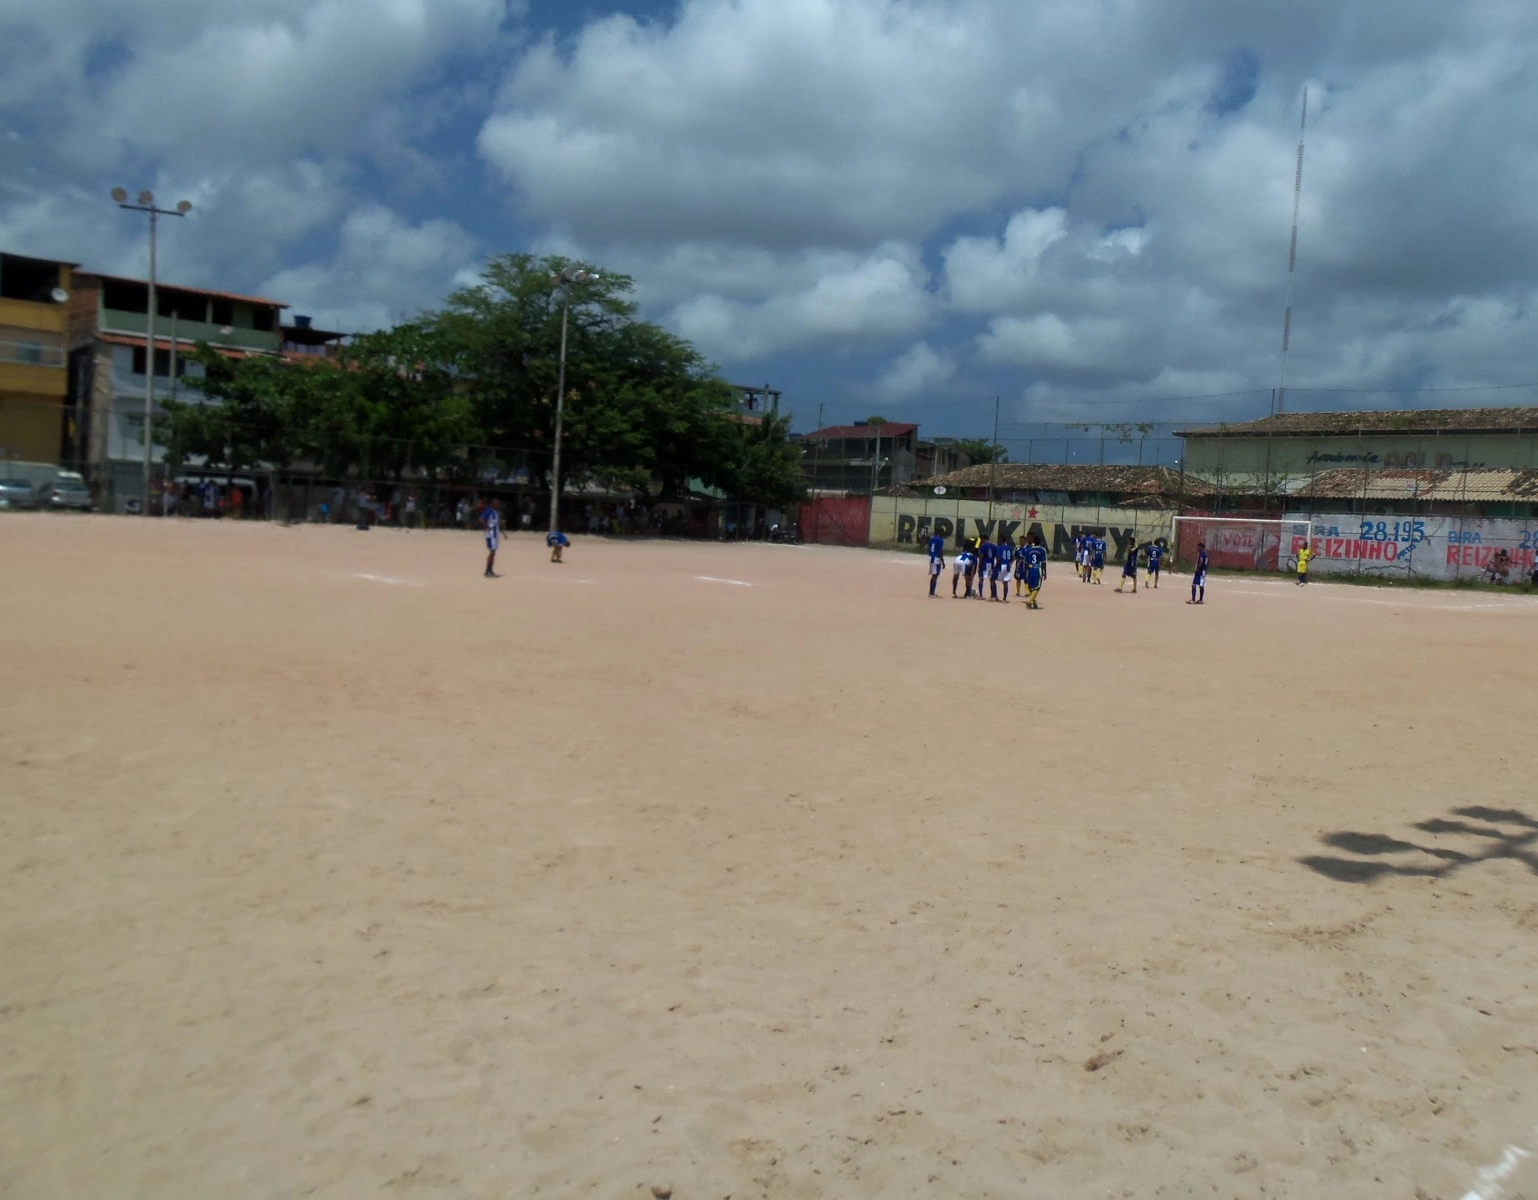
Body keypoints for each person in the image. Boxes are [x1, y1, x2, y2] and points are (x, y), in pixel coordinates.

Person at [1023, 535, 1048, 608]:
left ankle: (1034, 603)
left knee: (1031, 587)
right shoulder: (1042, 550)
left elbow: (1026, 562)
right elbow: (1043, 562)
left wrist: (1026, 571)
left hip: (1030, 569)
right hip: (1038, 569)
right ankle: (1029, 601)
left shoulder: (1029, 550)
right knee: (1037, 587)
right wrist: (1045, 572)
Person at [481, 499, 503, 577]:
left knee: (493, 553)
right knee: (492, 552)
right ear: (494, 504)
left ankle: (490, 569)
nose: (499, 505)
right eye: (497, 504)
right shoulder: (489, 511)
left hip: (495, 535)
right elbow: (482, 519)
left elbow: (497, 524)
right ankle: (488, 570)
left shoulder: (497, 513)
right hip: (491, 535)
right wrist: (487, 527)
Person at [992, 535, 1013, 601]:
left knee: (992, 579)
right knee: (1005, 582)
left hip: (1001, 566)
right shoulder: (1009, 548)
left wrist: (995, 567)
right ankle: (1004, 598)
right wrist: (1009, 564)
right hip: (1007, 566)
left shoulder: (999, 548)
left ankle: (995, 596)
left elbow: (999, 558)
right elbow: (1012, 558)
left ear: (1001, 540)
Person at [926, 530, 946, 597]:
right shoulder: (940, 540)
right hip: (936, 558)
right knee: (935, 576)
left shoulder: (932, 539)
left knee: (934, 575)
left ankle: (932, 592)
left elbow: (929, 547)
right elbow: (941, 551)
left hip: (931, 557)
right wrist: (943, 561)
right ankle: (931, 593)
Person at [976, 535, 996, 600]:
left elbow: (981, 556)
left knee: (981, 579)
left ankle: (981, 595)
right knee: (992, 580)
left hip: (985, 565)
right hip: (991, 565)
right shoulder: (993, 546)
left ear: (983, 539)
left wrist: (979, 566)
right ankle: (993, 595)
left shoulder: (983, 546)